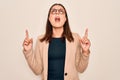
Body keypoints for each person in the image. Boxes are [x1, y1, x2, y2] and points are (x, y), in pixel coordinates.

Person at [22, 3, 91, 80]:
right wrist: (28, 51)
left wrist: (85, 52)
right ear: (49, 18)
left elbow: (81, 69)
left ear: (65, 18)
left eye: (61, 11)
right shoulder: (40, 40)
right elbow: (37, 71)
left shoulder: (75, 38)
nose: (57, 13)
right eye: (54, 11)